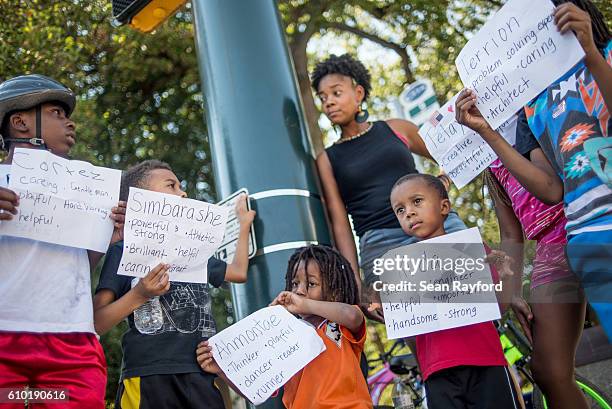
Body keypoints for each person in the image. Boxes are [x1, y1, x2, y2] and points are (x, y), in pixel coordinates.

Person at [455, 0, 612, 339]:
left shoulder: (606, 54)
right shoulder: (534, 105)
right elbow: (551, 190)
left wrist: (590, 53)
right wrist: (485, 132)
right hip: (587, 239)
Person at [0, 74, 125, 408]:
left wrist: (106, 238)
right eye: (57, 112)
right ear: (20, 121)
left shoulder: (85, 189)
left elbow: (77, 270)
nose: (69, 122)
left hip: (71, 340)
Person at [311, 54, 466, 318]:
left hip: (438, 227)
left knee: (472, 307)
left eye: (336, 92)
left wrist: (442, 184)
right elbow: (340, 223)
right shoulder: (327, 159)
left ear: (358, 92)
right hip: (382, 245)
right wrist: (355, 283)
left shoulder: (396, 128)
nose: (329, 102)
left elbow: (448, 154)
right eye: (323, 98)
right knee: (419, 326)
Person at [93, 159, 255, 409]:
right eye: (172, 185)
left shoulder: (194, 251)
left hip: (201, 373)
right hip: (148, 375)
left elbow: (238, 272)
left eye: (181, 186)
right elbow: (96, 322)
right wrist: (140, 294)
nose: (183, 192)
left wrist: (243, 224)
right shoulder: (122, 249)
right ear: (142, 198)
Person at [389, 174, 520, 409]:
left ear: (444, 207)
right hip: (437, 372)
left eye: (417, 201)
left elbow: (499, 308)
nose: (408, 212)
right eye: (400, 210)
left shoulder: (475, 250)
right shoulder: (401, 269)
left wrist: (507, 277)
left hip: (486, 361)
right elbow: (409, 330)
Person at [197, 245, 373, 409]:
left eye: (311, 284)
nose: (299, 291)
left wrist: (305, 305)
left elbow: (352, 315)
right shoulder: (285, 337)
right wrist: (222, 371)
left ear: (335, 292)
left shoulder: (340, 325)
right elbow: (256, 389)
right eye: (295, 284)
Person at [483, 164, 588, 409]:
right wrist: (514, 291)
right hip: (549, 247)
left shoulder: (529, 126)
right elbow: (510, 233)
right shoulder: (488, 165)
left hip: (584, 222)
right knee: (547, 370)